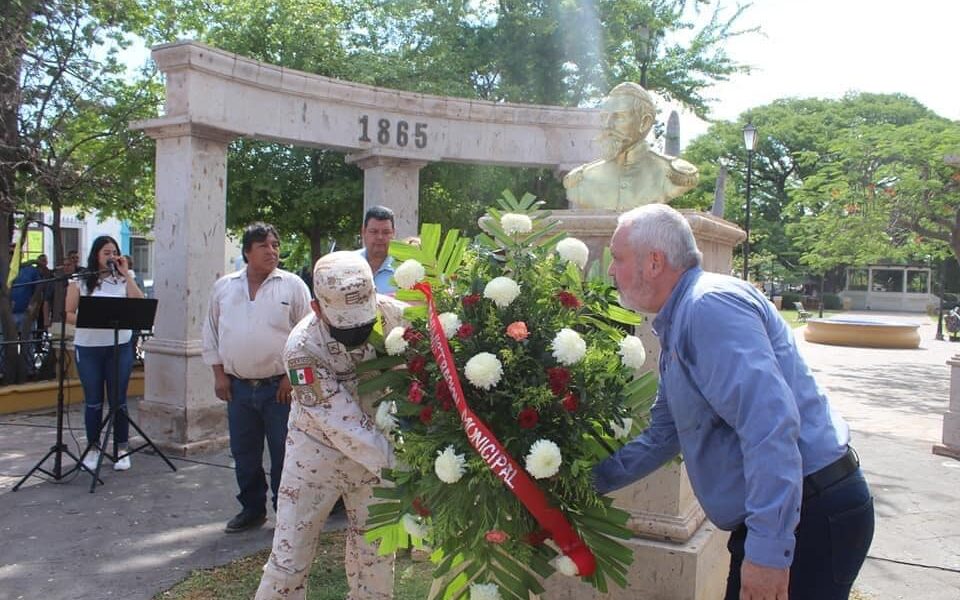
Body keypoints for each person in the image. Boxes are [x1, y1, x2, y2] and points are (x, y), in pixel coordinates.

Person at [593, 204, 874, 600]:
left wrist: (769, 553)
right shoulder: (684, 316)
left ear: (653, 262)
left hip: (809, 518)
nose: (610, 271)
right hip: (793, 512)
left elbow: (769, 426)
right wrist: (587, 482)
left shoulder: (708, 308)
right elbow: (663, 435)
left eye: (617, 258)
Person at [255, 251, 407, 600]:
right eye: (345, 324)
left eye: (362, 323)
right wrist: (406, 469)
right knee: (288, 560)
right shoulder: (301, 349)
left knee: (377, 559)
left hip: (377, 462)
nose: (356, 331)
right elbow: (344, 426)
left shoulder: (394, 315)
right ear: (317, 308)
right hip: (314, 458)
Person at [202, 222, 312, 533]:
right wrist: (218, 374)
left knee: (283, 452)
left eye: (275, 245)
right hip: (237, 388)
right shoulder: (224, 287)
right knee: (244, 452)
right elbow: (210, 331)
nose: (272, 251)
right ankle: (252, 509)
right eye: (264, 246)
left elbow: (307, 336)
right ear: (247, 251)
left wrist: (292, 378)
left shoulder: (292, 286)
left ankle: (285, 512)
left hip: (279, 389)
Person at [65, 236, 145, 472]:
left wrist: (126, 274)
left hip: (119, 347)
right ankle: (93, 448)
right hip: (89, 348)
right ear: (96, 255)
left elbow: (139, 303)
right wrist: (90, 319)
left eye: (114, 252)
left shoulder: (122, 280)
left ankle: (121, 448)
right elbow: (68, 313)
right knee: (93, 401)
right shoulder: (79, 281)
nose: (111, 257)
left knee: (118, 400)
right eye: (106, 252)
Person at [563, 82, 699, 210]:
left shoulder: (673, 174)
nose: (607, 125)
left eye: (619, 117)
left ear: (644, 122)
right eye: (604, 117)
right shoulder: (583, 178)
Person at [355, 205, 397, 294]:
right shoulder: (347, 263)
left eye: (386, 232)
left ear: (393, 233)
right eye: (374, 231)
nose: (380, 237)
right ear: (363, 232)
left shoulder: (404, 270)